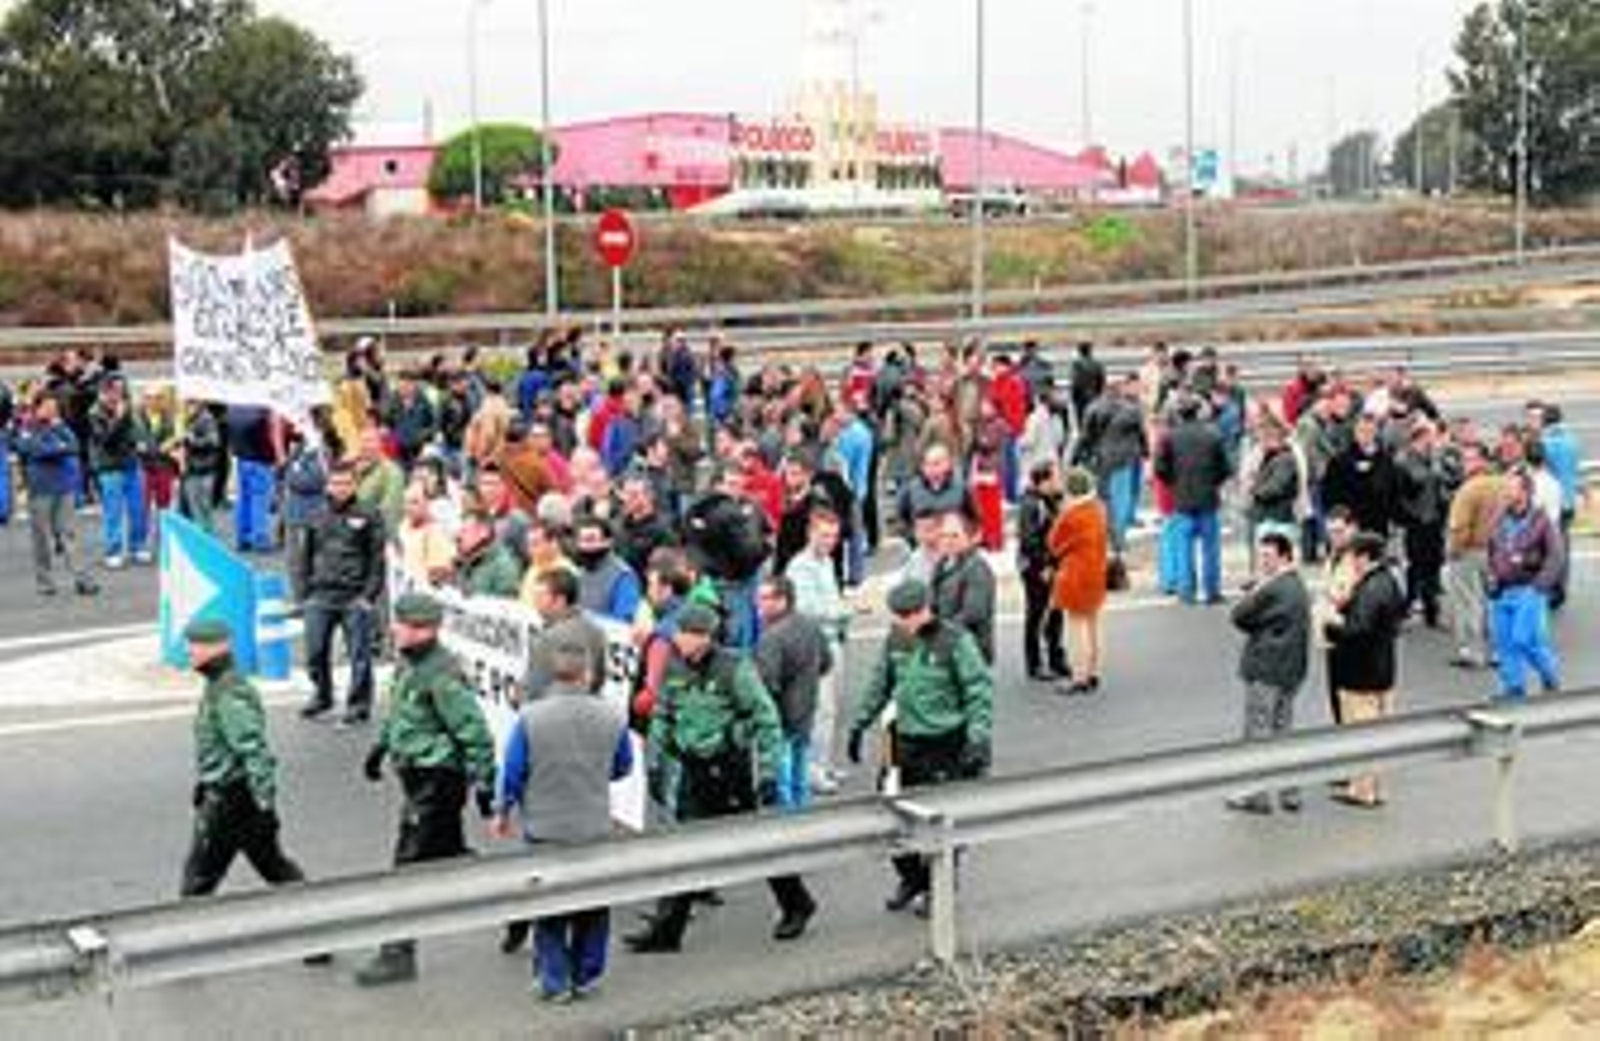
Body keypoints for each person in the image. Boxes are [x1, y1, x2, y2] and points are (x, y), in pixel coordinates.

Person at [627, 603, 817, 951]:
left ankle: (797, 903)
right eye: (680, 634)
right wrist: (657, 763)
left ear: (706, 637)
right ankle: (668, 931)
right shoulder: (674, 666)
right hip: (693, 768)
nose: (683, 642)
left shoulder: (733, 668)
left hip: (729, 769)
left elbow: (766, 719)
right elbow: (662, 716)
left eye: (691, 635)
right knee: (684, 849)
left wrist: (770, 772)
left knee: (756, 843)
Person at [356, 592, 497, 987]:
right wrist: (380, 746)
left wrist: (485, 780)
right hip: (416, 775)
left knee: (405, 871)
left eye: (400, 624)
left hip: (437, 782)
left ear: (424, 629)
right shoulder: (410, 664)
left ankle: (397, 955)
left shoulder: (441, 674)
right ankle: (519, 904)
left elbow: (473, 731)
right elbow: (403, 713)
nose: (393, 628)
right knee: (453, 860)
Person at [494, 636, 633, 1002]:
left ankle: (554, 981)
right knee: (594, 902)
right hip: (593, 824)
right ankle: (587, 974)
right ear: (587, 675)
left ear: (553, 675)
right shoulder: (612, 716)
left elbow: (512, 772)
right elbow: (623, 768)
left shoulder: (531, 717)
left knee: (549, 907)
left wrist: (502, 810)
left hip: (545, 827)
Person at [847, 579, 992, 916]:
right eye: (899, 616)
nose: (905, 623)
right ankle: (910, 877)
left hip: (944, 742)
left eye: (910, 615)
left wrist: (977, 738)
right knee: (889, 814)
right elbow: (880, 682)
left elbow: (978, 692)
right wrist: (860, 723)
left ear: (926, 609)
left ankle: (939, 888)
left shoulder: (955, 642)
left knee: (939, 822)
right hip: (902, 738)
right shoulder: (896, 637)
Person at [177, 618, 323, 926]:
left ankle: (183, 944)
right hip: (236, 796)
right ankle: (315, 929)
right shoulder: (221, 686)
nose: (188, 652)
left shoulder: (229, 694)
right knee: (275, 868)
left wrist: (264, 802)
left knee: (198, 880)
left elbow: (253, 751)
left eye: (194, 646)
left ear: (214, 649)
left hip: (230, 800)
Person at [1224, 533, 1312, 815]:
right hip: (1292, 669)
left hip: (1266, 668)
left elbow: (1239, 615)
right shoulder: (1297, 585)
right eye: (1261, 556)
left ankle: (1256, 794)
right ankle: (1290, 793)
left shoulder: (1274, 588)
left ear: (1285, 556)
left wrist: (1256, 589)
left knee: (1257, 732)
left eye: (1268, 556)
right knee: (1283, 730)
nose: (1263, 562)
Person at [297, 461, 386, 725]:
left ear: (355, 484)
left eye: (346, 483)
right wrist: (304, 593)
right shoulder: (315, 514)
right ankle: (322, 695)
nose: (340, 488)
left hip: (354, 595)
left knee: (360, 655)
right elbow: (304, 556)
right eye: (336, 483)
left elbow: (377, 559)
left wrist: (368, 596)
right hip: (320, 595)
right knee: (315, 651)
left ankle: (358, 705)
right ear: (328, 485)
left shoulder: (369, 514)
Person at [1323, 532, 1407, 809]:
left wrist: (1332, 628)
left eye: (1354, 557)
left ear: (1364, 557)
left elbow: (1358, 630)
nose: (1351, 563)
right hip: (1383, 669)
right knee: (1377, 732)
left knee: (1360, 733)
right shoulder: (1389, 582)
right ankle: (1373, 788)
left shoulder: (1371, 587)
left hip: (1361, 672)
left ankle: (1362, 792)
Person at [755, 575, 834, 810]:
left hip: (781, 716)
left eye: (764, 598)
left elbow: (765, 682)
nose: (758, 603)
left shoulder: (772, 637)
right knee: (800, 777)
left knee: (783, 780)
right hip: (806, 711)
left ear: (783, 600)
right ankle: (804, 820)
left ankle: (789, 828)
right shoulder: (810, 625)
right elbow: (826, 662)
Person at [1486, 468, 1564, 701]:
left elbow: (1556, 556)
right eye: (1506, 487)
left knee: (1524, 638)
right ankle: (1514, 688)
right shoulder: (1500, 517)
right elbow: (1493, 549)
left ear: (1526, 491)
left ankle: (1550, 674)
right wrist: (1491, 575)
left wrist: (1540, 585)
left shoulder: (1541, 520)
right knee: (1504, 642)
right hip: (1501, 588)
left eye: (1512, 487)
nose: (1507, 491)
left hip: (1529, 588)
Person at [15, 394, 98, 597]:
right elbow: (34, 450)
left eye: (55, 407)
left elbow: (74, 446)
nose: (53, 411)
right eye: (48, 407)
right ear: (37, 408)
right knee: (41, 539)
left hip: (64, 488)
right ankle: (45, 582)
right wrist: (57, 448)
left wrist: (57, 443)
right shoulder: (27, 427)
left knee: (70, 535)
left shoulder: (61, 427)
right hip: (40, 489)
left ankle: (82, 579)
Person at [1154, 395, 1230, 605]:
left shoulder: (1170, 437)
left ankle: (1186, 591)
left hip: (1183, 497)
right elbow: (1225, 468)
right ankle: (1212, 590)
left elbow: (1160, 469)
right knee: (1210, 548)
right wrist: (1213, 482)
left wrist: (1174, 483)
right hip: (1207, 497)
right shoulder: (1213, 435)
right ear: (1198, 412)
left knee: (1183, 547)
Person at [1048, 467, 1109, 696]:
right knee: (1093, 626)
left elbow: (1053, 544)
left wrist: (1061, 513)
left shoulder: (1071, 516)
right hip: (1097, 573)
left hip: (1075, 575)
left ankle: (1078, 677)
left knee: (1075, 628)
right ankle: (1093, 673)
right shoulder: (1098, 510)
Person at [1445, 442, 1504, 671]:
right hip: (1498, 550)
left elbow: (1459, 527)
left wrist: (1453, 550)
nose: (1464, 463)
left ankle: (1472, 652)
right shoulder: (1504, 484)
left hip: (1469, 551)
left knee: (1468, 602)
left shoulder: (1468, 489)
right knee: (1493, 602)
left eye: (1469, 459)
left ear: (1482, 461)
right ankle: (1498, 651)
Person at [88, 377, 150, 568]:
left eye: (122, 390)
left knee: (138, 508)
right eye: (115, 391)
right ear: (105, 392)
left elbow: (139, 431)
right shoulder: (95, 413)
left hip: (132, 463)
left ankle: (137, 545)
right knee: (113, 511)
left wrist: (142, 442)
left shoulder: (129, 408)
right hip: (110, 467)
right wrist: (119, 418)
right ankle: (113, 551)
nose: (119, 395)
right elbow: (106, 440)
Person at [1018, 461, 1068, 682]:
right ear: (1044, 481)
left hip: (1053, 566)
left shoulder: (1052, 501)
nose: (1059, 482)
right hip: (1036, 568)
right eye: (1055, 478)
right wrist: (1045, 565)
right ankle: (1034, 664)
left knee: (1056, 613)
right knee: (1037, 614)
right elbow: (1029, 541)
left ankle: (1057, 659)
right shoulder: (1031, 505)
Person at [930, 511, 997, 664]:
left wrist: (937, 635)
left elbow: (973, 614)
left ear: (971, 538)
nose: (948, 541)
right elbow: (933, 603)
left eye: (955, 536)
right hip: (948, 649)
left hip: (970, 653)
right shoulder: (943, 564)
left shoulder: (976, 568)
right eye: (944, 535)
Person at [572, 512, 643, 624]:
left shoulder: (623, 576)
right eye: (582, 540)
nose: (586, 546)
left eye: (591, 540)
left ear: (608, 542)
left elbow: (623, 622)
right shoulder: (579, 573)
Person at [177, 400, 223, 534]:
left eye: (192, 403)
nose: (188, 406)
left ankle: (206, 539)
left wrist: (192, 440)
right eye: (188, 403)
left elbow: (214, 441)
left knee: (203, 508)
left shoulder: (206, 419)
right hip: (191, 470)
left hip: (203, 470)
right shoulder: (189, 418)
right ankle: (200, 537)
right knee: (193, 507)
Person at [454, 513, 522, 599]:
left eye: (464, 531)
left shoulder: (503, 566)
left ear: (483, 533)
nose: (458, 536)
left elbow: (503, 606)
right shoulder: (465, 559)